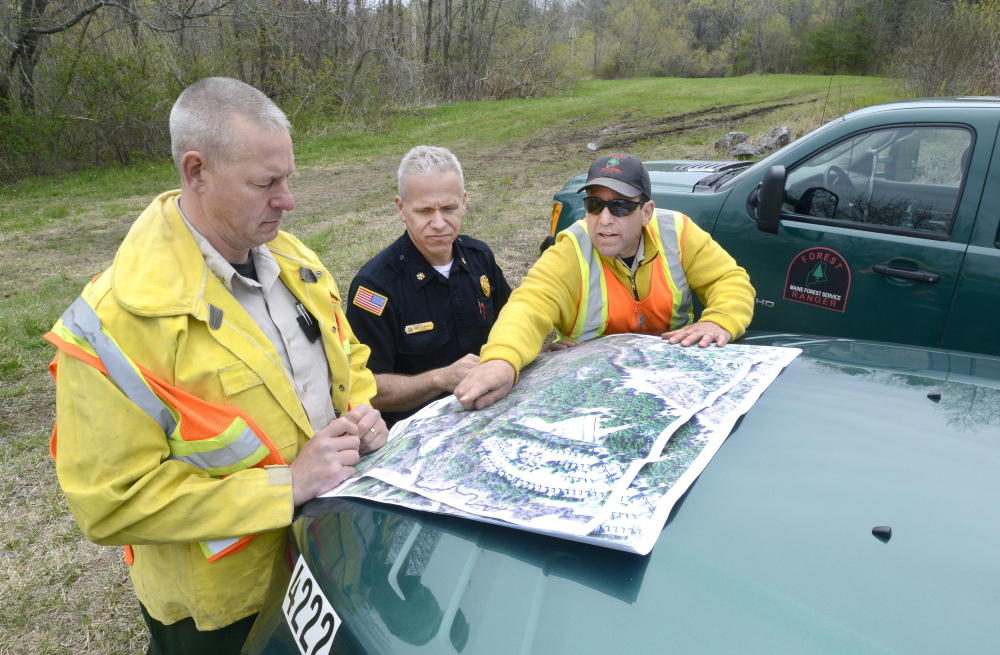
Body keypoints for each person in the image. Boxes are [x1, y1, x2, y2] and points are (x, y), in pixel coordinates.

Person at [44, 77, 388, 653]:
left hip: (325, 563)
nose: (288, 200)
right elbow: (112, 502)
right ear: (196, 171)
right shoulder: (116, 322)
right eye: (264, 183)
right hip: (224, 612)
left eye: (288, 178)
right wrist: (289, 485)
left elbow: (345, 353)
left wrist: (361, 409)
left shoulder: (292, 257)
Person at [455, 152, 755, 410]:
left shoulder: (677, 233)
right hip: (588, 388)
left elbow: (728, 279)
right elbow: (528, 306)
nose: (605, 219)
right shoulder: (570, 251)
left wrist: (720, 320)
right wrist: (502, 361)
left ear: (646, 212)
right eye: (594, 205)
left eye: (621, 207)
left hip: (671, 380)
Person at [346, 146, 511, 427]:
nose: (439, 223)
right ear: (401, 208)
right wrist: (439, 379)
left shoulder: (480, 258)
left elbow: (512, 322)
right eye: (424, 211)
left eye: (448, 208)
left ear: (464, 202)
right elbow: (365, 389)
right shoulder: (375, 289)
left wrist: (538, 350)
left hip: (491, 412)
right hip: (417, 433)